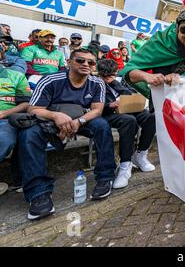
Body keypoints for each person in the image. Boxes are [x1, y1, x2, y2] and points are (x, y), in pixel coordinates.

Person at [18, 48, 116, 220]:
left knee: (102, 126)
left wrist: (79, 122)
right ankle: (38, 194)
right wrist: (56, 116)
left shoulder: (96, 82)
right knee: (29, 135)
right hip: (50, 119)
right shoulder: (50, 80)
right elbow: (33, 109)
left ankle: (105, 178)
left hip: (81, 119)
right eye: (80, 60)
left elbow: (97, 110)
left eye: (91, 62)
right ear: (69, 62)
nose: (86, 64)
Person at [97, 59, 156, 189]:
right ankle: (125, 163)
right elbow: (92, 105)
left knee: (151, 117)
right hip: (107, 113)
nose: (107, 78)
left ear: (115, 73)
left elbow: (130, 94)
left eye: (111, 75)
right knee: (129, 120)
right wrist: (109, 105)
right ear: (99, 73)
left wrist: (129, 99)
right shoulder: (95, 83)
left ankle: (141, 154)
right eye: (104, 76)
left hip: (125, 110)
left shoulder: (118, 82)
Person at [0, 39, 32, 196]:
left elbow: (26, 103)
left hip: (5, 120)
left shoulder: (16, 76)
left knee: (5, 140)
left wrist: (3, 114)